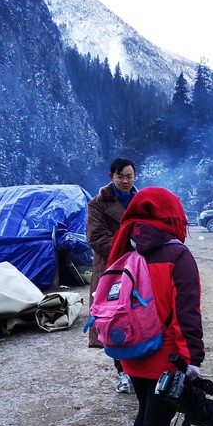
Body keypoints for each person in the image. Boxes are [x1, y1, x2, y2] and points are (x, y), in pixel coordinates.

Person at [108, 187, 205, 426]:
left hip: (133, 354)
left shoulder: (126, 249)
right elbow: (186, 312)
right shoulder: (177, 255)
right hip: (165, 358)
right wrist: (192, 359)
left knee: (146, 414)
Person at [86, 157, 139, 393]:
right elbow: (96, 237)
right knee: (116, 318)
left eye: (129, 176)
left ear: (135, 177)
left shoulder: (142, 201)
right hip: (113, 269)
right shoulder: (98, 203)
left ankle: (140, 369)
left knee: (139, 314)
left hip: (140, 268)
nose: (125, 181)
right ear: (111, 177)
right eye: (120, 177)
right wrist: (129, 246)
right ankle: (123, 372)